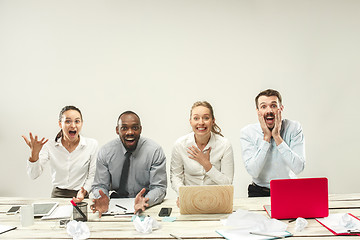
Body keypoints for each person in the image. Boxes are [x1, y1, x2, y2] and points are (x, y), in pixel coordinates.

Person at [90, 111, 167, 217]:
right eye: (124, 128)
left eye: (135, 128)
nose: (129, 132)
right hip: (114, 206)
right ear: (117, 130)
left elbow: (159, 188)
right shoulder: (106, 152)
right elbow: (100, 185)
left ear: (140, 129)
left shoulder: (154, 151)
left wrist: (145, 200)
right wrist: (101, 198)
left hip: (146, 207)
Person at [22, 106, 98, 202]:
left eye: (77, 121)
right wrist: (34, 155)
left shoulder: (91, 145)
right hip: (57, 197)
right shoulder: (49, 145)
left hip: (81, 197)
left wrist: (84, 192)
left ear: (81, 123)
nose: (73, 125)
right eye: (68, 121)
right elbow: (33, 175)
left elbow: (92, 176)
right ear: (60, 124)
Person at [240, 89, 305, 197]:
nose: (269, 110)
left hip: (290, 190)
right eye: (263, 106)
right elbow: (253, 171)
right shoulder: (247, 133)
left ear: (281, 108)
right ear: (258, 111)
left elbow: (298, 168)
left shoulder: (294, 128)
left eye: (273, 105)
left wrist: (277, 137)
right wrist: (266, 138)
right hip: (259, 192)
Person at [170, 101, 234, 197]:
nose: (201, 122)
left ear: (213, 121)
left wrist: (206, 164)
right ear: (190, 121)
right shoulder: (180, 145)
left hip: (217, 199)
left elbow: (227, 183)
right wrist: (184, 195)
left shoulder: (224, 145)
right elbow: (175, 177)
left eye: (206, 118)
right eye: (196, 118)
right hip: (189, 198)